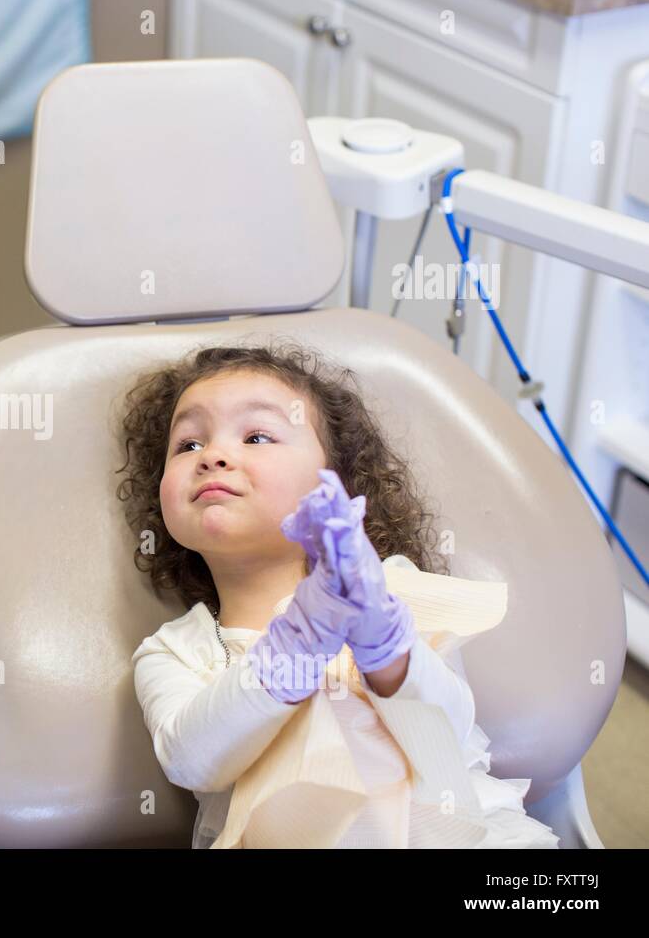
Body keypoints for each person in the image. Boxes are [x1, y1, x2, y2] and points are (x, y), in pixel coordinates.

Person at [117, 342, 559, 848]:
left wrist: (382, 641)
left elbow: (451, 731)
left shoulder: (388, 590)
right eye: (188, 445)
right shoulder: (174, 651)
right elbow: (192, 759)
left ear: (335, 482)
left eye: (257, 435)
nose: (213, 455)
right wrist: (297, 643)